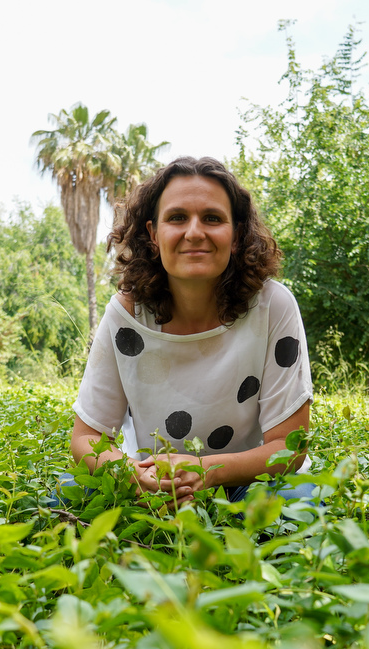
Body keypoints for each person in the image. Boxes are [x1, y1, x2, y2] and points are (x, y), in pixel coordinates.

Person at [66, 155, 314, 509]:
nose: (194, 232)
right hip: (151, 483)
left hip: (247, 482)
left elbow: (288, 448)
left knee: (295, 504)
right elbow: (86, 438)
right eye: (177, 217)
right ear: (153, 234)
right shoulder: (126, 315)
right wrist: (132, 476)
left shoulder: (273, 306)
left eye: (212, 218)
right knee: (67, 492)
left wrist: (207, 472)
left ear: (236, 234)